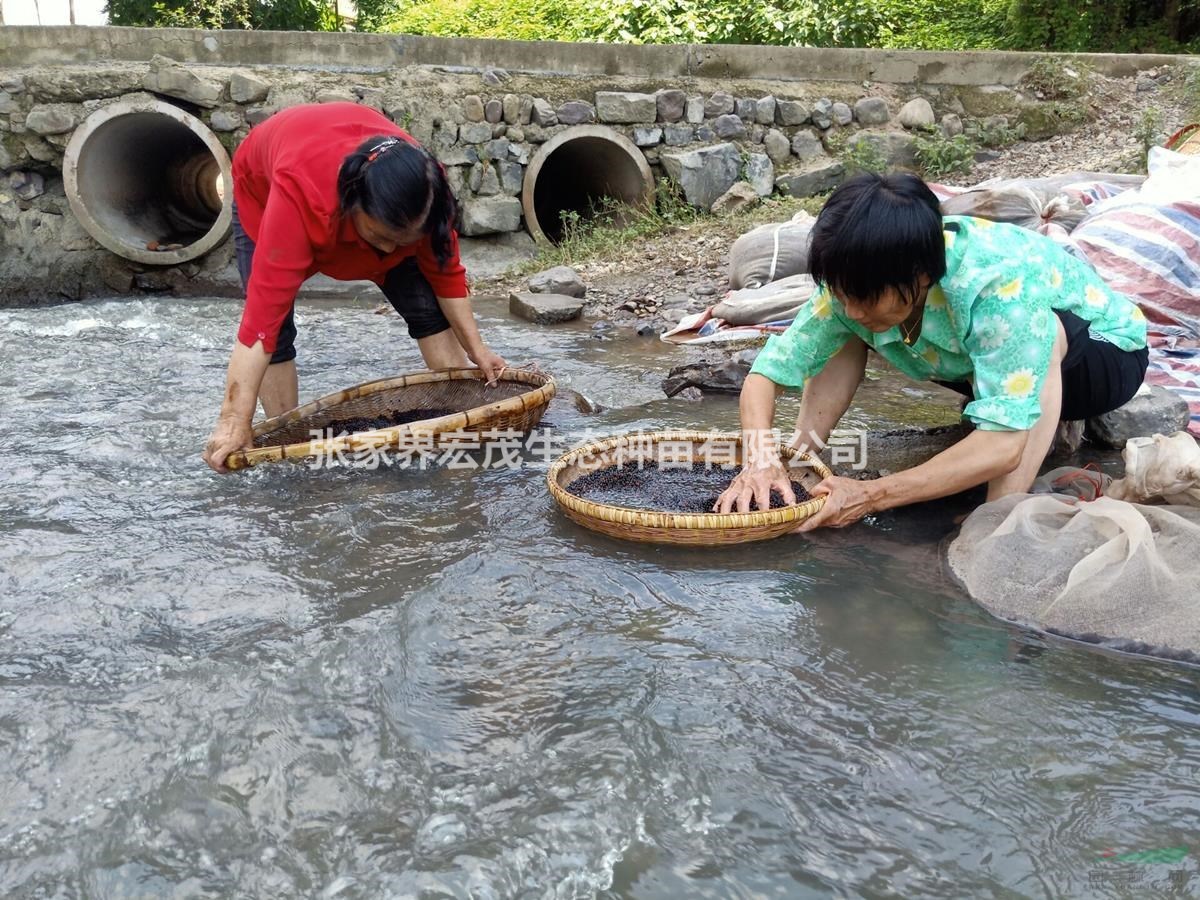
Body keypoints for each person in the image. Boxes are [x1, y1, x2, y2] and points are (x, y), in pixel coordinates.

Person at [715, 172, 1149, 529]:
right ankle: (805, 456)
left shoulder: (995, 284)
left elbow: (1002, 447)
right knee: (841, 327)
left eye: (865, 295)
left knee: (1046, 336)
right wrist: (761, 461)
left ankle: (998, 515)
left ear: (920, 274)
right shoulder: (856, 287)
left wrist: (869, 496)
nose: (851, 306)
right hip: (986, 361)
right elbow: (766, 375)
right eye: (844, 292)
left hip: (1100, 361)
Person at [202, 103, 507, 473]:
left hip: (372, 203)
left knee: (426, 306)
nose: (390, 251)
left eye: (403, 241)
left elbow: (445, 274)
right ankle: (292, 449)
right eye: (382, 237)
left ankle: (460, 421)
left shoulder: (426, 191)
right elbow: (260, 326)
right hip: (267, 192)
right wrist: (234, 419)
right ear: (352, 203)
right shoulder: (301, 195)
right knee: (277, 332)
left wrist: (478, 349)